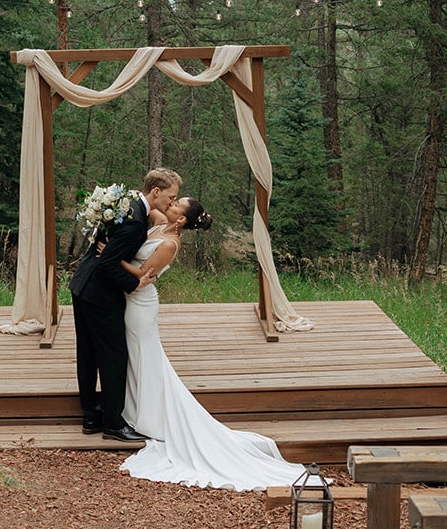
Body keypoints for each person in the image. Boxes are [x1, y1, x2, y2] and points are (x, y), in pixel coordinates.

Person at [116, 196, 306, 490]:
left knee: (146, 356)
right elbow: (146, 205)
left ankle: (150, 417)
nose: (173, 202)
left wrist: (113, 258)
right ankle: (135, 408)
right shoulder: (158, 223)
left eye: (177, 203)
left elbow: (143, 275)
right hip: (129, 301)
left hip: (141, 303)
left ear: (181, 220)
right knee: (139, 356)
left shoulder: (169, 244)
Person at [67, 167, 180, 443]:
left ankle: (91, 416)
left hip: (82, 285)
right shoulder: (135, 220)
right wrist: (135, 283)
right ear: (156, 192)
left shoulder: (129, 205)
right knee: (114, 356)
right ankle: (113, 423)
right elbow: (107, 264)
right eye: (171, 196)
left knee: (88, 353)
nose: (171, 202)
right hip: (100, 293)